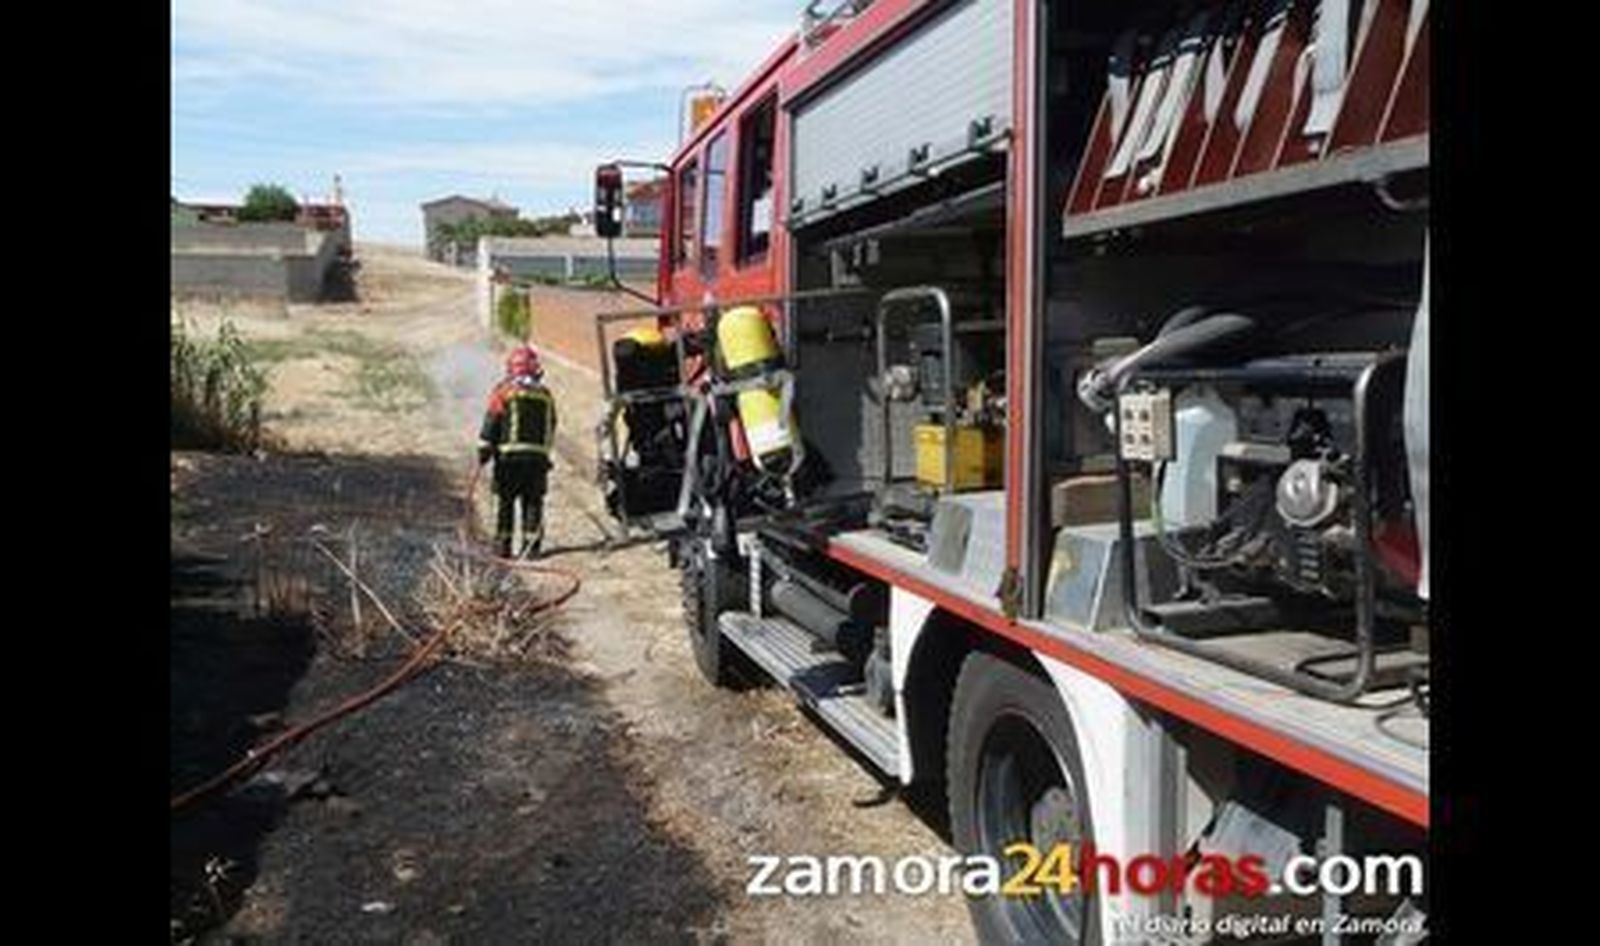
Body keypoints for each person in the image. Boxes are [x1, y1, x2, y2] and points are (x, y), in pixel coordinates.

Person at [478, 345, 557, 558]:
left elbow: (492, 420)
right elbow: (551, 424)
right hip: (537, 460)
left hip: (508, 459)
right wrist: (545, 454)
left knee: (506, 502)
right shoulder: (545, 395)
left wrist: (484, 448)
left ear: (511, 368)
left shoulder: (504, 391)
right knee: (533, 502)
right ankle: (532, 548)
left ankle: (503, 546)